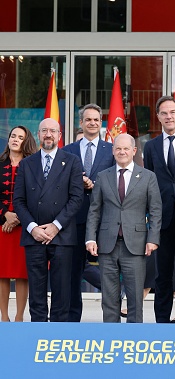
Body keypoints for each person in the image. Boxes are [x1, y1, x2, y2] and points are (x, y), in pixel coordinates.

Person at [85, 133, 162, 323]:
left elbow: (155, 210)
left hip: (136, 245)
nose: (122, 152)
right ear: (113, 151)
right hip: (107, 244)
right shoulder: (103, 176)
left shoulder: (148, 177)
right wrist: (90, 238)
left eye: (126, 148)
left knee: (135, 297)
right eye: (118, 148)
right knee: (109, 298)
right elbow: (94, 210)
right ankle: (112, 336)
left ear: (134, 151)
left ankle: (133, 338)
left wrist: (153, 239)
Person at [13, 118, 84, 322]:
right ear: (38, 134)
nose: (48, 135)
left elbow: (76, 197)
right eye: (44, 131)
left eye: (53, 131)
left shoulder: (71, 161)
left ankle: (58, 333)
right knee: (36, 289)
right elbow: (18, 200)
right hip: (34, 235)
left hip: (62, 235)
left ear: (60, 135)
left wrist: (56, 225)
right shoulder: (27, 164)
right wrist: (33, 227)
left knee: (62, 289)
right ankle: (38, 330)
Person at [143, 96, 175, 323]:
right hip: (161, 219)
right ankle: (161, 322)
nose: (168, 116)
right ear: (158, 117)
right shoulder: (151, 146)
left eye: (172, 112)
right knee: (162, 274)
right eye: (164, 113)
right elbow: (150, 182)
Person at [62, 103, 115, 322]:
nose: (92, 123)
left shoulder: (111, 150)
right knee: (74, 271)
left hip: (103, 219)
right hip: (74, 219)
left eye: (96, 119)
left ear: (100, 123)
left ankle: (112, 317)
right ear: (81, 123)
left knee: (109, 270)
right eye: (88, 119)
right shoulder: (68, 150)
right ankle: (73, 319)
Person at [0, 126, 37, 322]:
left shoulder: (32, 165)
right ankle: (4, 317)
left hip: (25, 227)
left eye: (20, 137)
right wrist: (5, 214)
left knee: (23, 273)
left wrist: (18, 218)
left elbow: (36, 196)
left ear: (26, 141)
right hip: (1, 227)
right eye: (13, 136)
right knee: (2, 273)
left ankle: (19, 317)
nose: (15, 139)